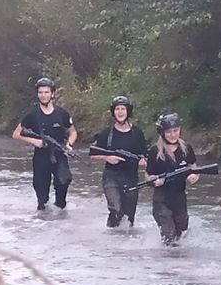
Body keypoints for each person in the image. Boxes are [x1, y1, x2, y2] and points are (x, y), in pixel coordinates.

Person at [12, 77, 77, 211]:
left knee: (63, 182)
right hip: (41, 157)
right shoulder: (32, 114)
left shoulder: (62, 113)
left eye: (46, 92)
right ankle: (42, 221)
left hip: (59, 154)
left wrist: (69, 144)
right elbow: (16, 134)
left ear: (52, 94)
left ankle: (60, 216)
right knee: (42, 196)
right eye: (41, 92)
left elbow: (73, 132)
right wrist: (35, 141)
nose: (43, 95)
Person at [89, 96, 148, 227]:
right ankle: (111, 239)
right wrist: (107, 158)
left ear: (128, 111)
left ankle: (124, 244)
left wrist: (143, 161)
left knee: (128, 218)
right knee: (115, 209)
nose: (120, 112)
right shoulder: (106, 133)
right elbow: (92, 155)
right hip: (111, 177)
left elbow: (145, 155)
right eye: (117, 109)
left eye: (123, 109)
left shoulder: (137, 133)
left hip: (131, 177)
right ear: (113, 112)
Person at [146, 112, 199, 246]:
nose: (173, 134)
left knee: (181, 233)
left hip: (180, 197)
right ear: (162, 133)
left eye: (175, 130)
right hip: (161, 199)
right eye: (169, 132)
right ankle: (166, 263)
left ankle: (179, 264)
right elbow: (148, 175)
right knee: (169, 235)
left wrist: (194, 176)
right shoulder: (155, 151)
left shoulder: (186, 148)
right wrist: (154, 182)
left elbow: (194, 167)